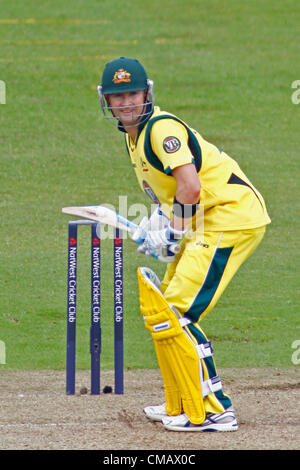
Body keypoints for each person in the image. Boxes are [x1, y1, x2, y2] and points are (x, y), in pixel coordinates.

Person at [98, 57, 271, 432]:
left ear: (147, 93)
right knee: (164, 312)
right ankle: (181, 401)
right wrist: (159, 223)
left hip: (229, 218)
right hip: (206, 220)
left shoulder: (160, 129)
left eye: (132, 93)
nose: (126, 102)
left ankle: (215, 410)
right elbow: (175, 191)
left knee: (177, 312)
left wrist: (173, 234)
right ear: (106, 101)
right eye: (117, 96)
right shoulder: (134, 138)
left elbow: (191, 187)